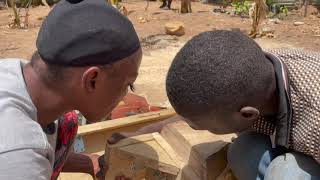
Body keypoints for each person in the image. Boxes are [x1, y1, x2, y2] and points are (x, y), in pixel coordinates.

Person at [109, 30, 320, 180]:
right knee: (242, 151)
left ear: (247, 115)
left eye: (201, 126)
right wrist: (141, 132)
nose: (193, 127)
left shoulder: (315, 120)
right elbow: (196, 110)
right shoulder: (253, 73)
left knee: (287, 175)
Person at [0, 0, 142, 179]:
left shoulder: (12, 72)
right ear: (92, 80)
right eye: (129, 84)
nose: (125, 97)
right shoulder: (19, 158)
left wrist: (89, 163)